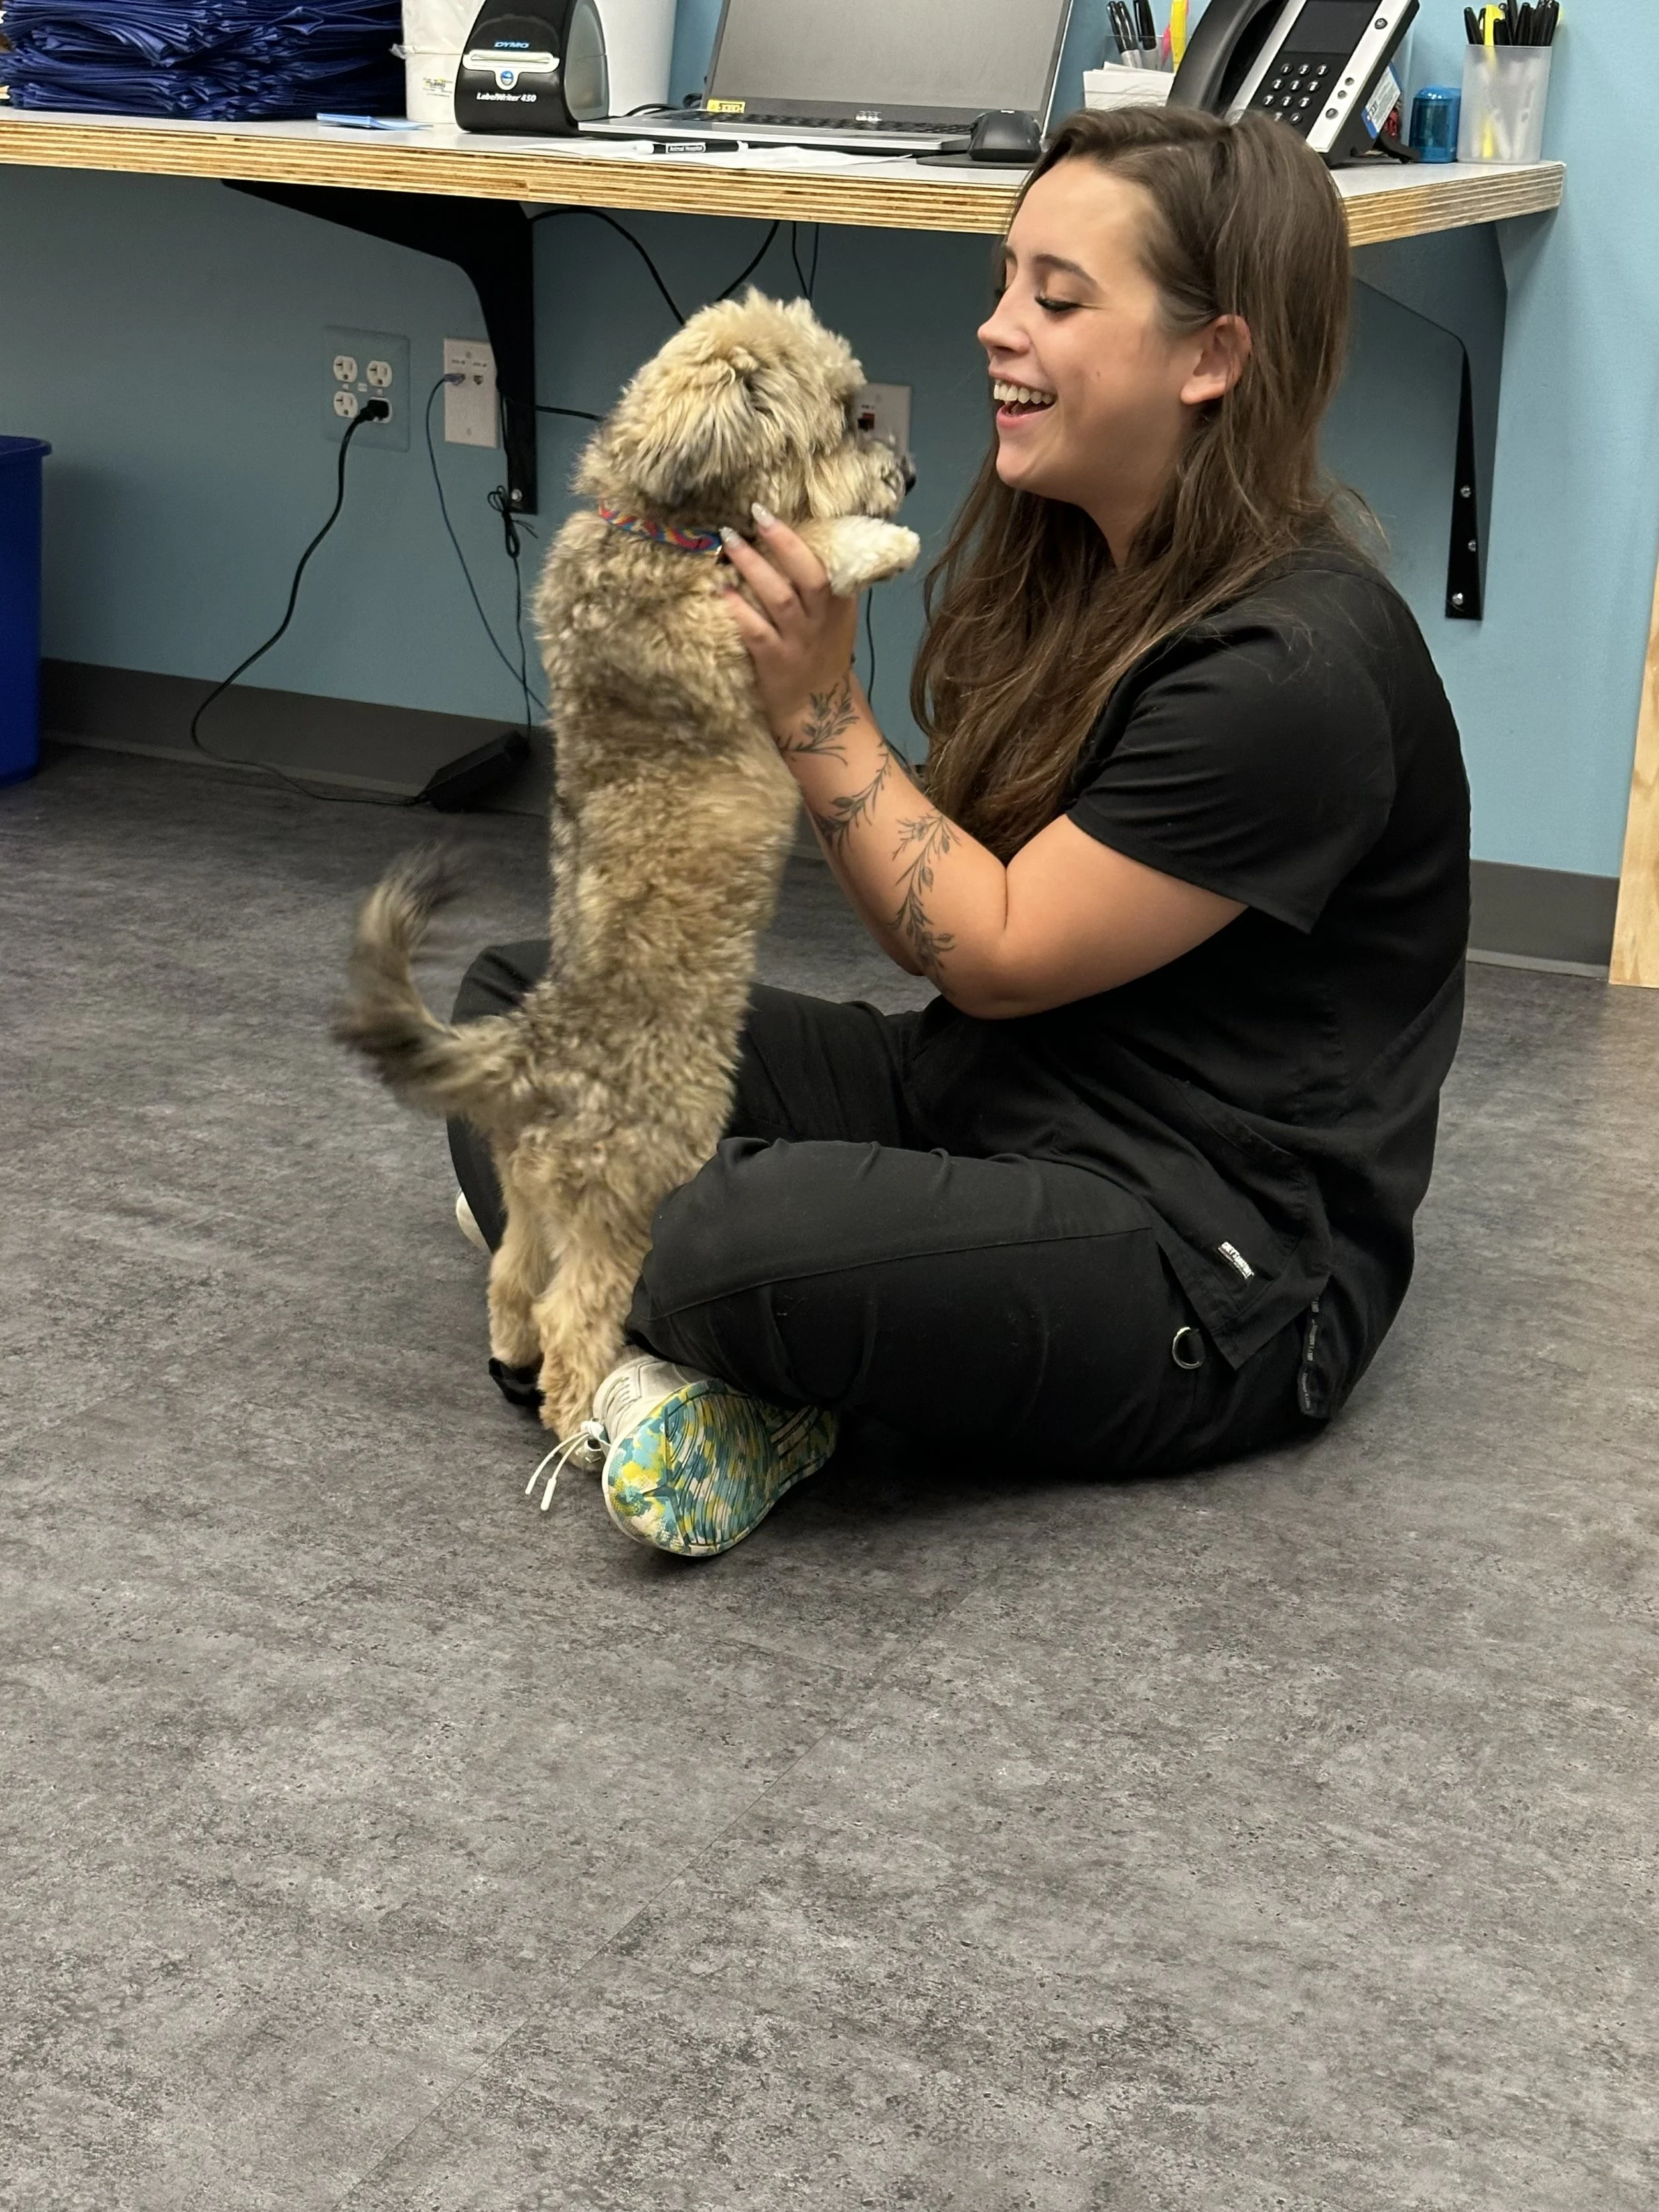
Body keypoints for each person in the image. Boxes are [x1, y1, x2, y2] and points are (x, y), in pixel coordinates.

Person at [449, 105, 1471, 1560]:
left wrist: (813, 706)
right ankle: (696, 1375)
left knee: (700, 1232)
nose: (996, 328)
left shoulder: (1287, 676)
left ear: (1210, 357)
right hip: (989, 1094)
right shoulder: (1075, 559)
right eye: (1003, 282)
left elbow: (984, 945)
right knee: (521, 1015)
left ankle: (678, 1339)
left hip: (1203, 1252)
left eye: (1055, 298)